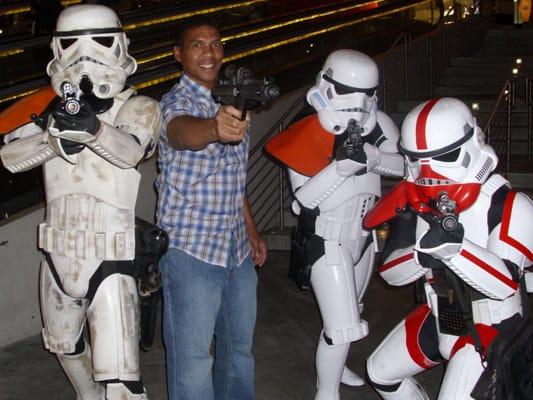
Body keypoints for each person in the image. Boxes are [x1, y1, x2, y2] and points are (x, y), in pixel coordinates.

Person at [0, 5, 162, 399]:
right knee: (66, 349)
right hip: (57, 255)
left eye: (98, 41)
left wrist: (91, 130)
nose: (83, 55)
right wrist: (53, 136)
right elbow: (9, 156)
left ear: (120, 45)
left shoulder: (138, 107)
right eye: (72, 43)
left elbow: (129, 151)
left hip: (110, 259)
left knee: (121, 384)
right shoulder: (46, 109)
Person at [364, 97, 533, 399]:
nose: (428, 172)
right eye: (416, 159)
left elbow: (504, 284)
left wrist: (454, 249)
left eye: (443, 157)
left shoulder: (507, 205)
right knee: (380, 372)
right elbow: (390, 273)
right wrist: (422, 254)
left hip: (490, 328)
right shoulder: (417, 201)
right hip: (440, 314)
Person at [265, 49, 405, 400]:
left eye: (367, 94)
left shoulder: (381, 125)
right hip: (326, 238)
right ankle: (325, 392)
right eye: (347, 91)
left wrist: (372, 158)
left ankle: (337, 367)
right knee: (342, 328)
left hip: (364, 237)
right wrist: (340, 168)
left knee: (351, 312)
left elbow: (406, 166)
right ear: (326, 86)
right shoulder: (306, 133)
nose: (358, 104)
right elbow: (304, 201)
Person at [155, 15, 268, 400]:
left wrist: (250, 229)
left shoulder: (233, 102)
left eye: (216, 43)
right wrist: (214, 130)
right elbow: (181, 132)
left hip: (235, 251)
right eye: (198, 45)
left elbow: (234, 177)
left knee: (239, 353)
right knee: (192, 362)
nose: (209, 52)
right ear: (178, 55)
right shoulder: (174, 102)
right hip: (192, 251)